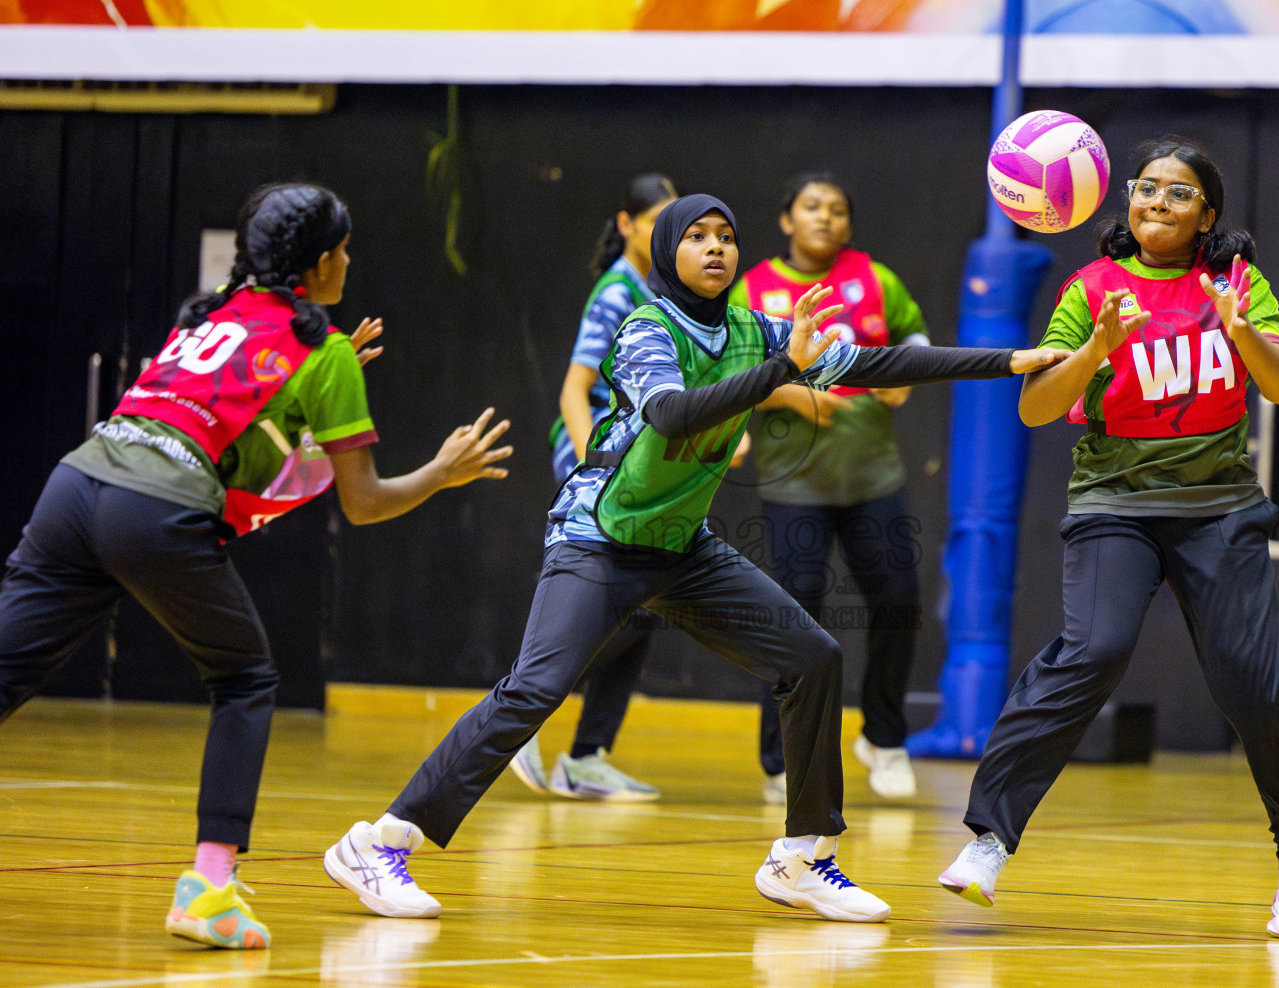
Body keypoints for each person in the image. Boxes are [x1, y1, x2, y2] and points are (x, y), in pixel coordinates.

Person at [322, 194, 1067, 925]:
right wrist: (783, 372)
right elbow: (674, 414)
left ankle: (802, 857)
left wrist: (1012, 360)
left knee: (812, 656)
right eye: (698, 236)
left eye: (726, 236)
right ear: (670, 251)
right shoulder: (646, 328)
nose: (716, 247)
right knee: (534, 690)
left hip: (682, 549)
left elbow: (877, 362)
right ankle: (378, 842)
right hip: (599, 539)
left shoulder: (756, 329)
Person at [0, 182, 512, 950]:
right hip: (154, 509)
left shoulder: (213, 312)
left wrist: (325, 386)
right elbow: (363, 503)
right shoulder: (325, 351)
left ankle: (211, 888)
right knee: (244, 680)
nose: (351, 259)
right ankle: (208, 890)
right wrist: (441, 471)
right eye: (345, 248)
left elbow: (255, 444)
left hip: (76, 485)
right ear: (321, 262)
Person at [936, 138, 1279, 940]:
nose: (1157, 201)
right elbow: (1036, 409)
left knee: (1253, 687)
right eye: (1146, 188)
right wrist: (1096, 352)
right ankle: (988, 838)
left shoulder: (1234, 284)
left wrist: (1241, 330)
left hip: (1218, 507)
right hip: (1114, 504)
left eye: (1179, 193)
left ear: (1207, 215)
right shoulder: (1090, 289)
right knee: (1092, 651)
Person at [731, 173, 929, 803]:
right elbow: (727, 370)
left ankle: (885, 738)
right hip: (796, 488)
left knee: (898, 601)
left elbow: (914, 334)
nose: (826, 218)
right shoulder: (755, 289)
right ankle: (780, 756)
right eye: (812, 207)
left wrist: (910, 371)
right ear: (787, 219)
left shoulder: (874, 277)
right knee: (796, 618)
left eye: (838, 210)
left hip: (874, 478)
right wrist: (791, 393)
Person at [508, 173, 677, 803]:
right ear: (628, 224)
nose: (671, 232)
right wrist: (592, 471)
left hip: (643, 465)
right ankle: (521, 706)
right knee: (608, 601)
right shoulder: (616, 292)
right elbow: (574, 391)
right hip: (597, 461)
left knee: (640, 606)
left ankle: (585, 756)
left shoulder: (664, 292)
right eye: (658, 219)